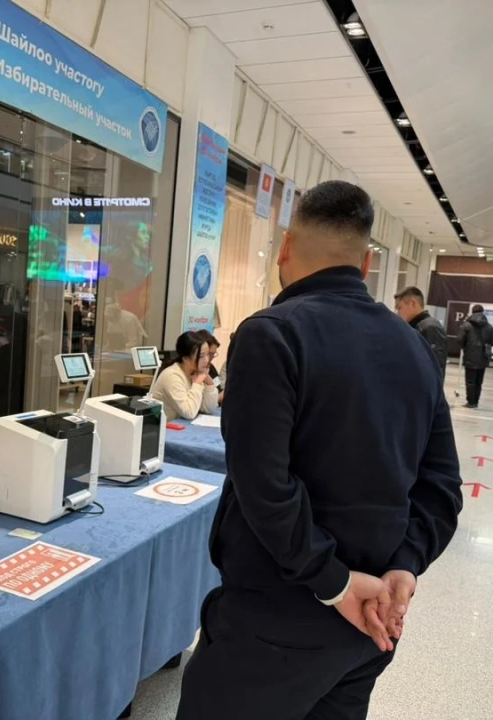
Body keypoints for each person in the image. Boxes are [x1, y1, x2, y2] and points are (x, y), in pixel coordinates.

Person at [176, 181, 463, 720]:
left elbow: (264, 486)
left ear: (285, 248)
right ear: (368, 261)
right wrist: (405, 564)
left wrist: (333, 582)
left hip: (277, 619)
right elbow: (441, 485)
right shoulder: (413, 346)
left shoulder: (272, 334)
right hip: (370, 627)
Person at [149, 331, 219, 421]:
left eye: (207, 354)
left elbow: (208, 409)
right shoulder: (172, 376)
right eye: (201, 356)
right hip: (165, 429)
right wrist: (197, 383)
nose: (206, 360)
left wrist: (209, 383)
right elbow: (189, 412)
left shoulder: (196, 372)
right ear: (186, 358)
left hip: (182, 428)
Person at [394, 286, 447, 378]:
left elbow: (434, 370)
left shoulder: (430, 328)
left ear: (413, 303)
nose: (398, 313)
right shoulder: (416, 327)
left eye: (399, 308)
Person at [457, 305, 493, 408]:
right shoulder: (489, 326)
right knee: (479, 382)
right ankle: (476, 401)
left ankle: (470, 402)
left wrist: (466, 347)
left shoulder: (466, 325)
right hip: (483, 357)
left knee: (470, 381)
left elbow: (460, 340)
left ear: (472, 312)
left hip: (470, 356)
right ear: (483, 312)